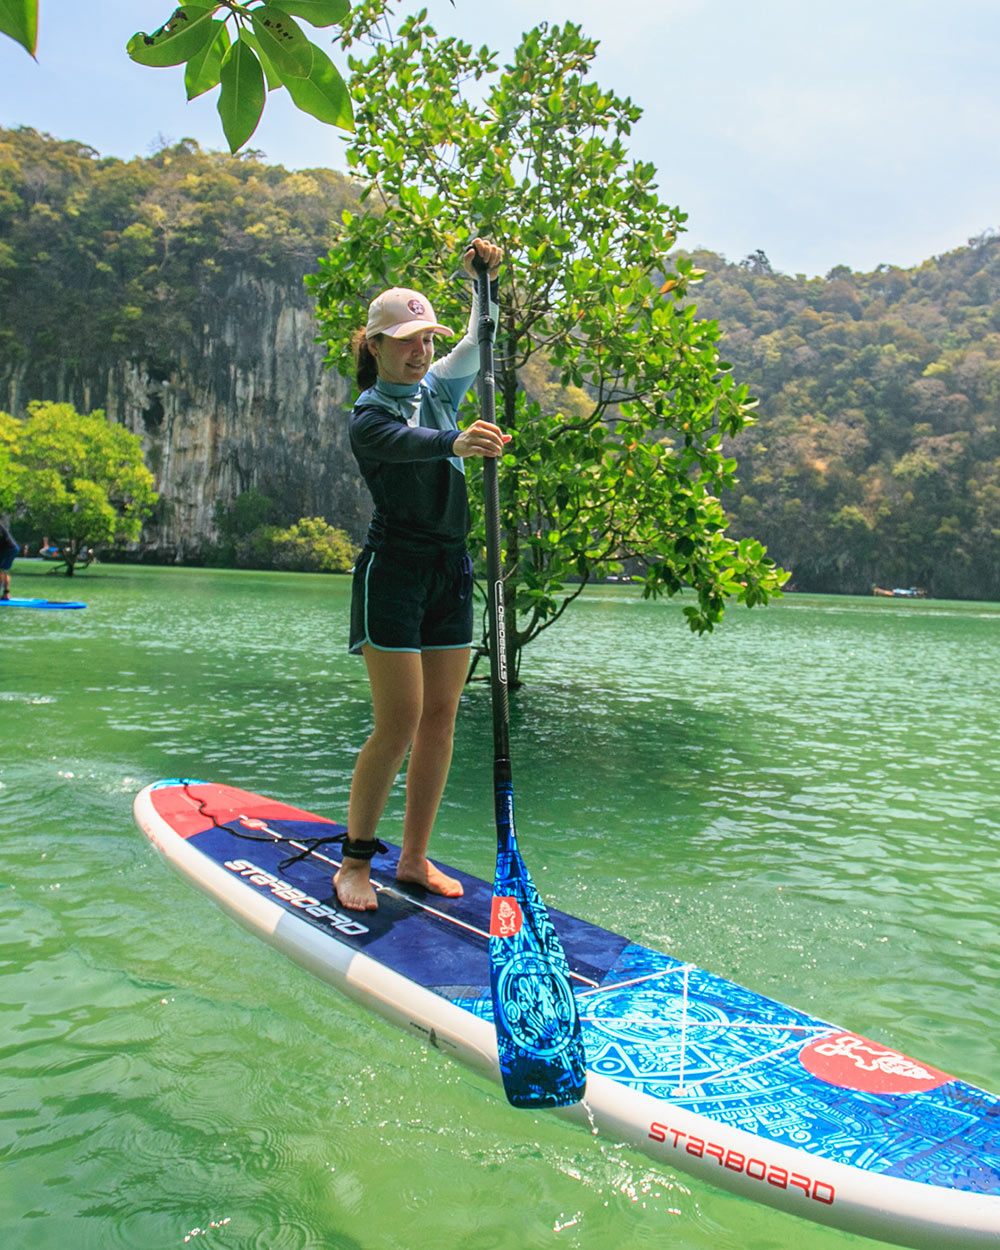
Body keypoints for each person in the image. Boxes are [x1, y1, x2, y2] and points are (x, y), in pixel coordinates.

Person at [335, 237, 509, 912]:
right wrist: (457, 440)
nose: (420, 351)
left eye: (426, 340)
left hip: (448, 569)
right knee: (399, 720)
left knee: (440, 717)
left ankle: (412, 859)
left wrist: (481, 281)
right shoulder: (369, 416)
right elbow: (410, 446)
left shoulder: (439, 387)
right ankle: (355, 862)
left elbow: (481, 338)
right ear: (375, 345)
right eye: (405, 341)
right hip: (395, 571)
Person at [0, 521, 19, 600]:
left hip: (7, 549)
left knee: (1, 570)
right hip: (12, 548)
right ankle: (6, 593)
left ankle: (5, 593)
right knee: (3, 571)